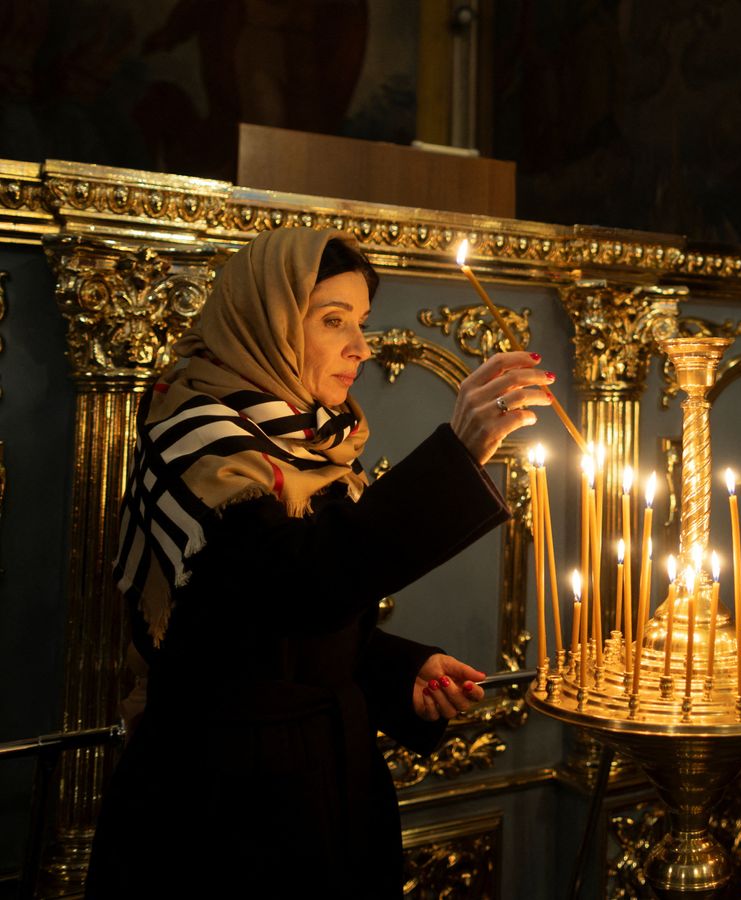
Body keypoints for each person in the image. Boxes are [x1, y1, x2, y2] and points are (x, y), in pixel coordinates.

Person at [85, 228, 556, 896]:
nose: (359, 349)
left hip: (321, 793)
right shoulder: (197, 437)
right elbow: (295, 585)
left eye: (361, 324)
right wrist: (458, 453)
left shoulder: (308, 440)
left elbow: (286, 627)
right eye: (334, 321)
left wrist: (398, 672)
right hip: (219, 814)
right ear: (268, 320)